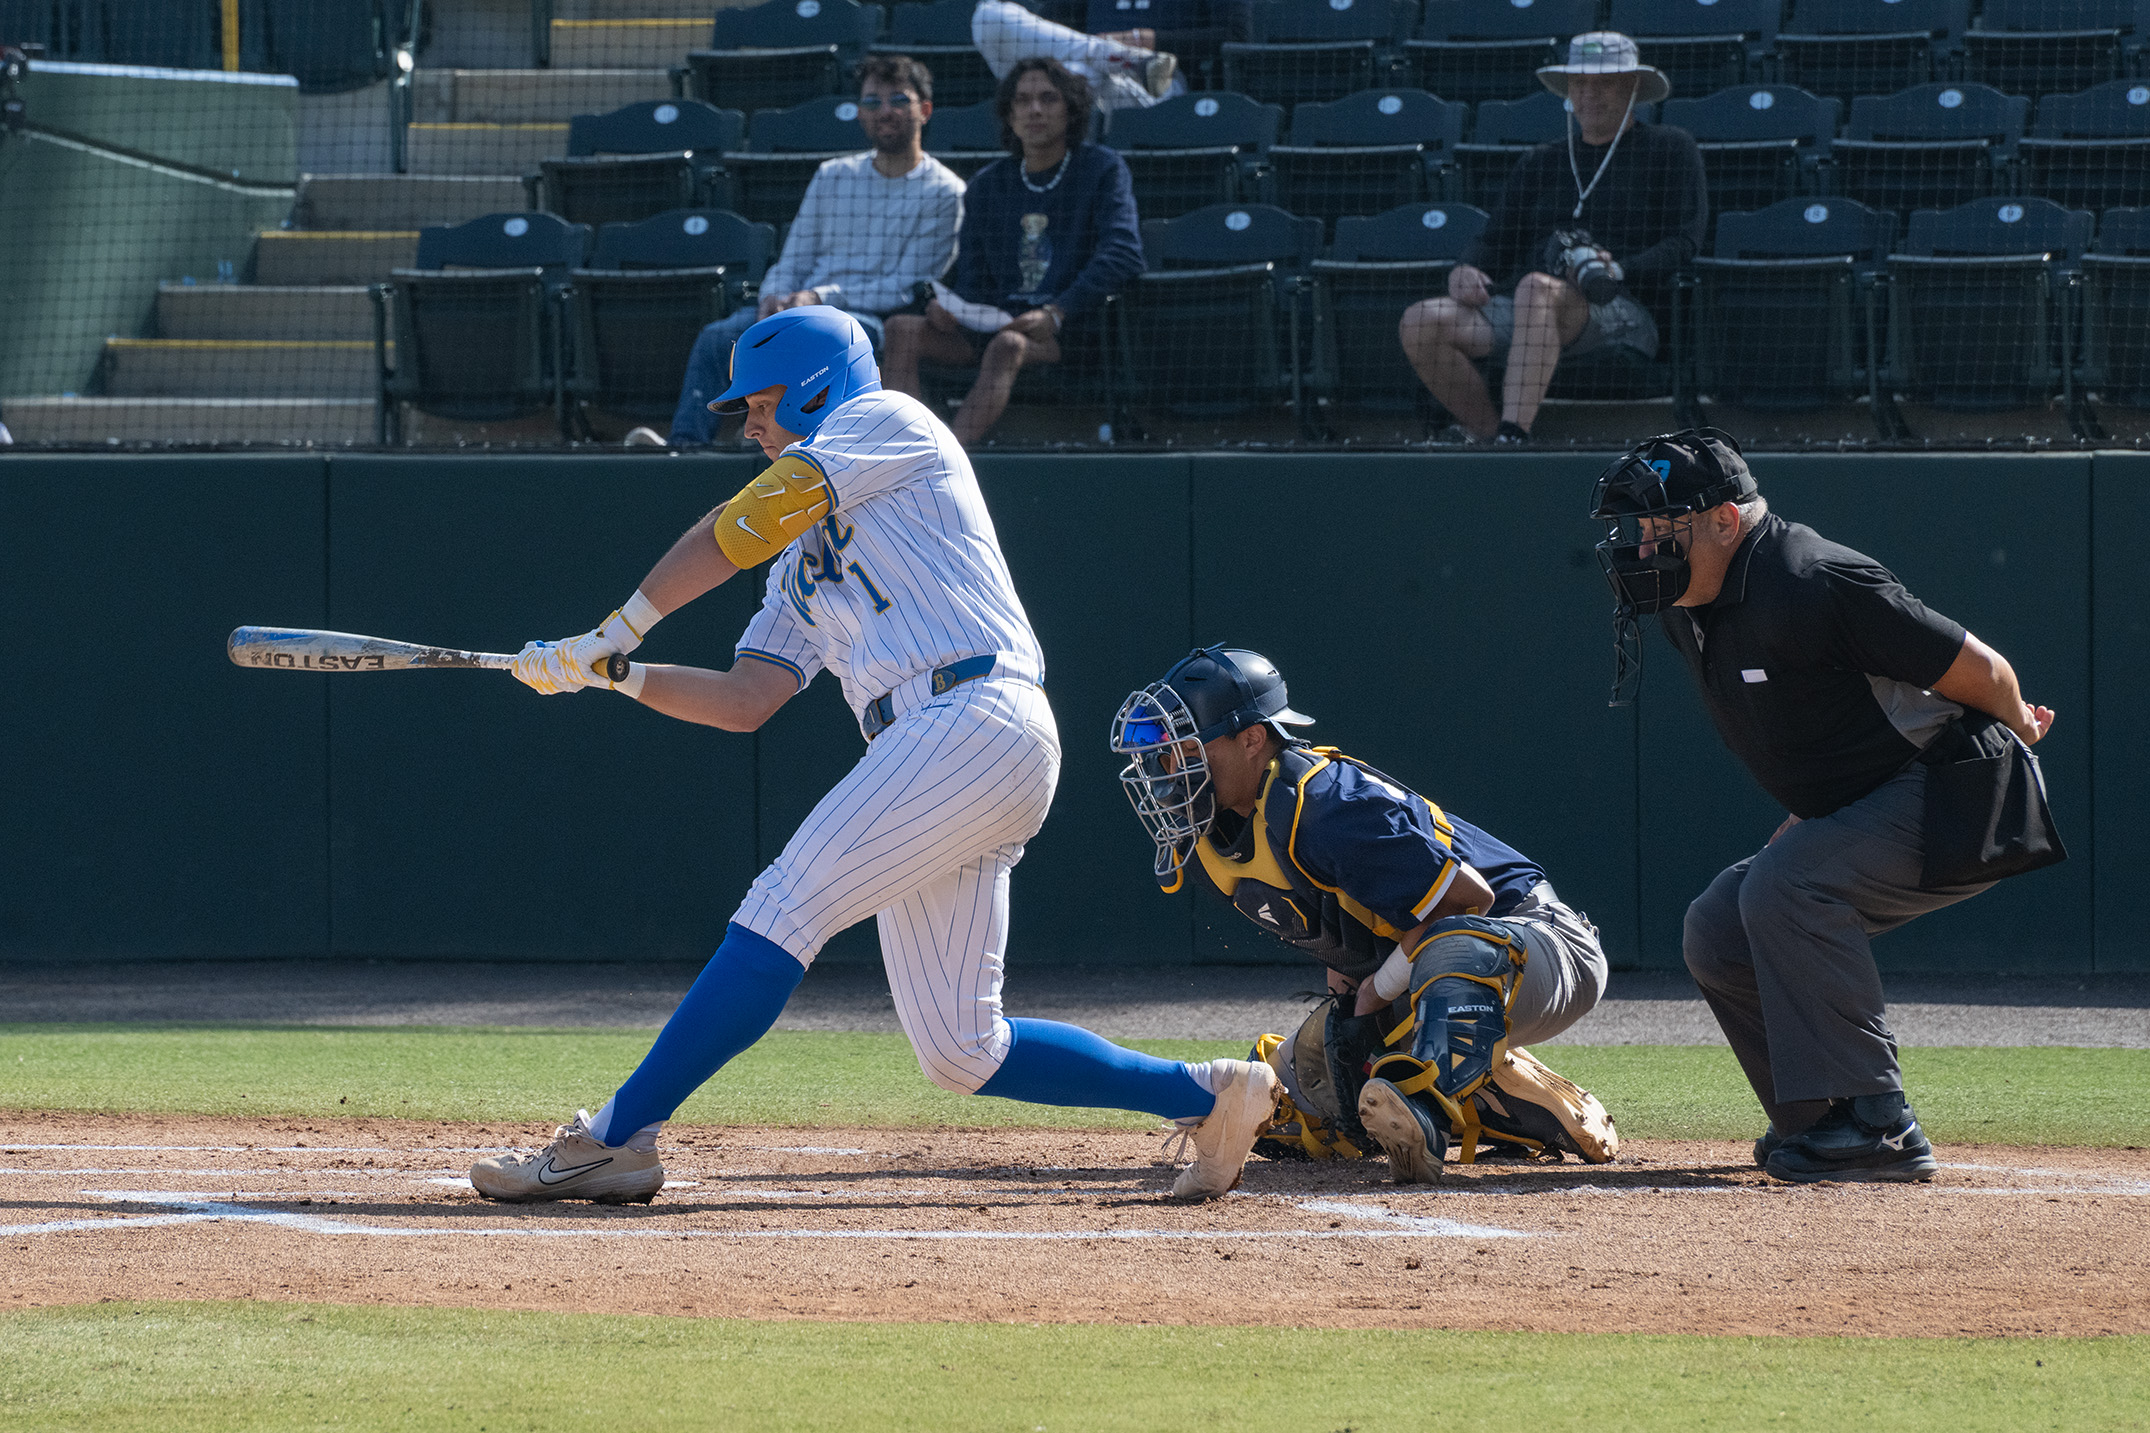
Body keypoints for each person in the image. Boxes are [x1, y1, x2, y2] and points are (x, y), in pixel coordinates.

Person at [470, 308, 1281, 1206]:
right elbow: (749, 698)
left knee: (783, 905)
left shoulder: (886, 419)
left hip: (970, 715)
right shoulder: (798, 562)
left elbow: (742, 521)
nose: (747, 423)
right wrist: (616, 673)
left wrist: (615, 625)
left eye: (761, 403)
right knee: (961, 1048)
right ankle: (1208, 1094)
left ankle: (614, 1138)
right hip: (948, 747)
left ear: (819, 387)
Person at [1588, 428, 2059, 1184]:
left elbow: (1985, 667)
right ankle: (1819, 1117)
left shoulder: (1812, 579)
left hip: (1967, 790)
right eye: (1640, 530)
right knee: (1717, 923)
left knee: (1788, 886)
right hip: (1880, 796)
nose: (1644, 547)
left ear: (1725, 521)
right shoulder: (1690, 604)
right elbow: (1826, 732)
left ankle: (1881, 1123)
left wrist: (2021, 727)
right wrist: (1810, 823)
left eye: (1662, 527)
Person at [1107, 646, 1618, 1184]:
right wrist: (1354, 988)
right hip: (1433, 963)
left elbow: (1468, 903)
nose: (1169, 771)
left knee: (1457, 953)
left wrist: (1377, 990)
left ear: (1252, 738)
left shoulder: (1325, 804)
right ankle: (1499, 1104)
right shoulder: (1223, 831)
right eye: (1164, 756)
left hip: (1539, 941)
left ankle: (1431, 1102)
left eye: (1184, 750)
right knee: (1286, 1110)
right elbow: (1353, 922)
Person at [1398, 33, 1706, 444]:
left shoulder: (1671, 147)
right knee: (1420, 322)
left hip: (1624, 309)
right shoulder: (1542, 160)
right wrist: (1467, 268)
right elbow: (1495, 239)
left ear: (1633, 88)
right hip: (1534, 310)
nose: (1589, 95)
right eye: (1579, 84)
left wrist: (1618, 269)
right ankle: (1490, 436)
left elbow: (1684, 241)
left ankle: (1514, 435)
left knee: (1534, 289)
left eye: (1604, 83)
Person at [663, 56, 965, 446]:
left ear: (925, 110)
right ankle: (682, 449)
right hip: (800, 308)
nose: (884, 111)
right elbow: (795, 258)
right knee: (719, 337)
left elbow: (906, 287)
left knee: (817, 352)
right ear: (859, 113)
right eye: (873, 102)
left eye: (898, 100)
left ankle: (789, 446)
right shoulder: (833, 175)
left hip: (866, 322)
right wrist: (773, 299)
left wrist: (821, 298)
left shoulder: (946, 192)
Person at [881, 58, 1142, 446]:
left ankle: (946, 456)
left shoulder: (1101, 168)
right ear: (1009, 114)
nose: (1035, 109)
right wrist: (955, 311)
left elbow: (1124, 252)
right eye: (1022, 101)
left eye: (1048, 99)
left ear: (1070, 110)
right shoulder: (988, 186)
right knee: (901, 329)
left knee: (1008, 347)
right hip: (994, 324)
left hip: (1065, 330)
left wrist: (1057, 311)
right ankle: (908, 446)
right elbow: (974, 278)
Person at [971, 0, 1251, 112]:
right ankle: (1113, 55)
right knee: (988, 16)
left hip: (1159, 79)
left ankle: (1118, 57)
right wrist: (1103, 48)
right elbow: (1050, 27)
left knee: (1082, 77)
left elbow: (1236, 35)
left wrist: (1144, 40)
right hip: (1078, 68)